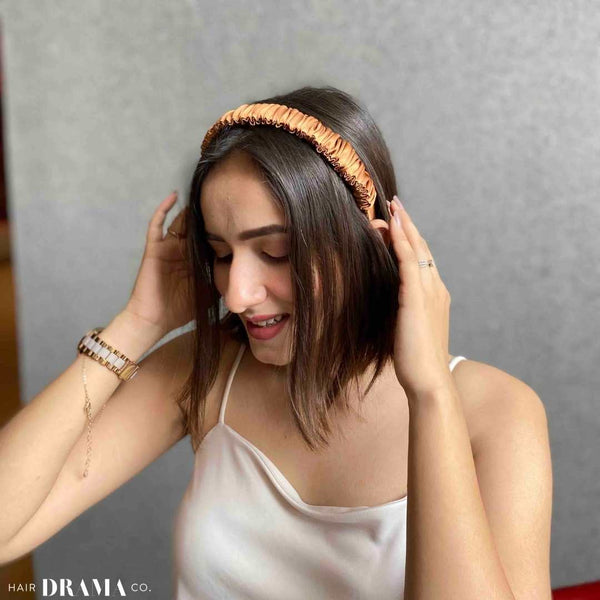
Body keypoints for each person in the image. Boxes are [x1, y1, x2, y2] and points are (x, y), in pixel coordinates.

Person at [0, 86, 553, 599]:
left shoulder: (496, 412)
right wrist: (138, 323)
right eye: (221, 254)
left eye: (277, 252)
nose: (236, 294)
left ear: (372, 247)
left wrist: (430, 394)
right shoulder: (205, 368)